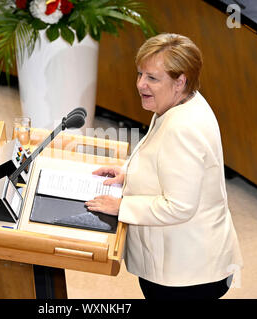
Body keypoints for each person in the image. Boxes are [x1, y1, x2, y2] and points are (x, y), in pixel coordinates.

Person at [85, 33, 243, 299]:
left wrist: (121, 206)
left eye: (152, 78)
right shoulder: (185, 100)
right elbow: (170, 167)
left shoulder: (182, 129)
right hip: (183, 263)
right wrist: (129, 174)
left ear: (180, 81)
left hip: (187, 275)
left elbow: (179, 206)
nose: (140, 84)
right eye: (140, 74)